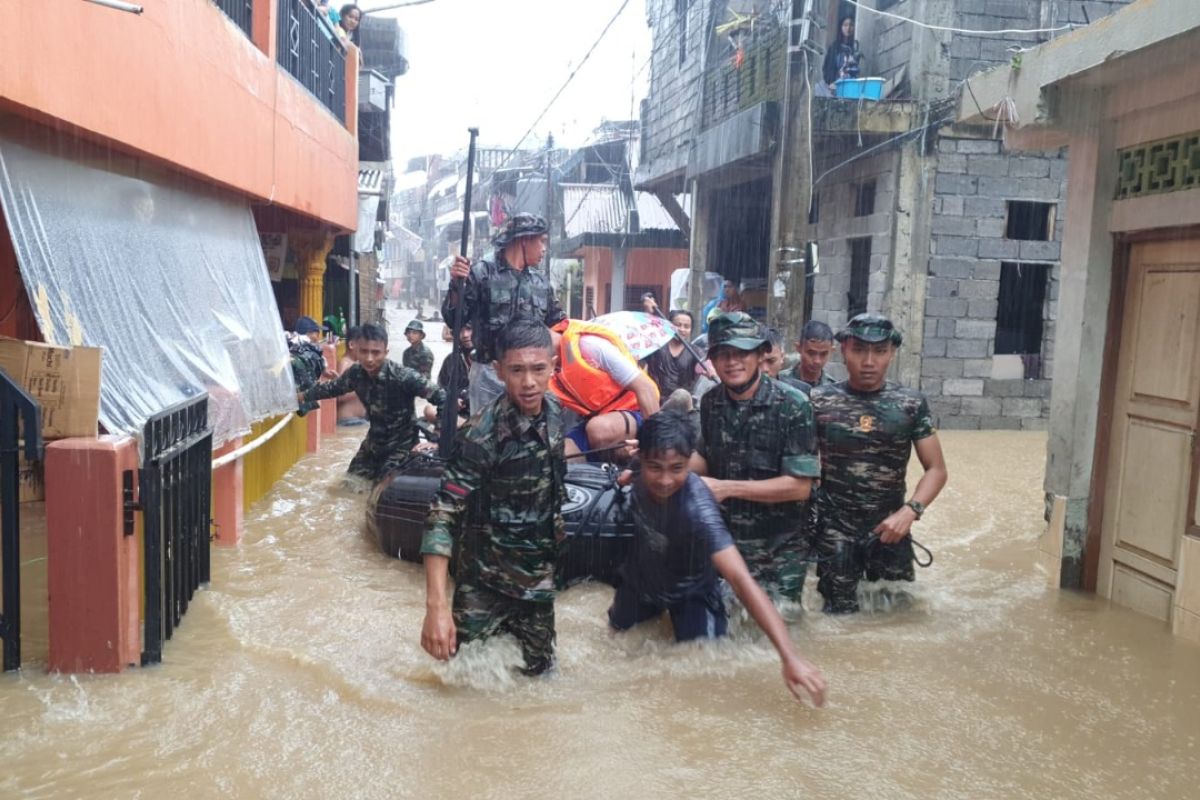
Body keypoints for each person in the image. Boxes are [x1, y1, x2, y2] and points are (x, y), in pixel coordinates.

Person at [609, 412, 826, 706]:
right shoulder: (638, 470)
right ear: (641, 458)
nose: (664, 480)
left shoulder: (698, 510)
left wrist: (789, 657)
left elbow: (740, 578)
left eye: (677, 468)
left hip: (692, 590)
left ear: (689, 462)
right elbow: (633, 472)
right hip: (640, 583)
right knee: (614, 647)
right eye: (654, 467)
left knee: (704, 671)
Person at [420, 320, 568, 676]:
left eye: (538, 369)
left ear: (554, 367)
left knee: (541, 680)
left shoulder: (556, 413)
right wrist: (436, 607)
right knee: (463, 686)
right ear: (499, 372)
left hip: (537, 582)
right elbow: (442, 513)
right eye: (517, 370)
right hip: (483, 585)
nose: (529, 382)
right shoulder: (481, 435)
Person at [810, 314, 948, 614]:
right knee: (838, 620)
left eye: (880, 351)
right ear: (843, 350)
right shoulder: (818, 401)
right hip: (835, 533)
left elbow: (936, 470)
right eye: (859, 350)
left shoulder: (910, 404)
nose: (869, 361)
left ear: (892, 353)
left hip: (891, 530)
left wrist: (911, 511)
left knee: (898, 621)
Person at [691, 313, 821, 604]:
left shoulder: (794, 405)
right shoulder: (711, 402)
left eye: (741, 352)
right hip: (726, 543)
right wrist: (659, 470)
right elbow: (704, 456)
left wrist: (725, 488)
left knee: (776, 634)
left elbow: (799, 487)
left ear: (761, 354)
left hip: (779, 549)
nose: (732, 362)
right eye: (722, 353)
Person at [442, 212, 566, 415]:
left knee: (527, 437)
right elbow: (454, 318)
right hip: (489, 375)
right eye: (541, 241)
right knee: (485, 436)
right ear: (525, 240)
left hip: (529, 376)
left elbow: (559, 324)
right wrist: (457, 284)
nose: (544, 249)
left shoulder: (541, 283)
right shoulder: (482, 273)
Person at [298, 323, 444, 482]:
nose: (369, 359)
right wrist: (301, 396)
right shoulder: (356, 373)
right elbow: (332, 388)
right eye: (364, 351)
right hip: (373, 443)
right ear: (356, 350)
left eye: (376, 353)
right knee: (348, 486)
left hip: (401, 447)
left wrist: (437, 439)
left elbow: (443, 397)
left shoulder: (404, 377)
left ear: (386, 352)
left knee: (381, 493)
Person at [550, 318, 660, 461]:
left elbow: (646, 387)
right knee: (557, 458)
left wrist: (652, 446)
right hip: (595, 420)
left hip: (633, 411)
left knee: (599, 430)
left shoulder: (589, 345)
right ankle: (611, 454)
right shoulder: (546, 367)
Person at [645, 310, 700, 397]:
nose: (682, 329)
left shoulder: (696, 352)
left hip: (682, 403)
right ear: (669, 325)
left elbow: (706, 366)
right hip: (655, 399)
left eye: (687, 326)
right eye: (678, 325)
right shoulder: (656, 347)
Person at [336, 325, 369, 426]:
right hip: (348, 420)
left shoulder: (356, 364)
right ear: (351, 345)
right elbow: (339, 395)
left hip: (358, 420)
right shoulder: (346, 364)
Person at [790, 320, 836, 388]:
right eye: (811, 353)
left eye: (823, 354)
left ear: (832, 351)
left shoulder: (834, 389)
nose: (817, 361)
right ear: (798, 348)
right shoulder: (779, 382)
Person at [822, 15, 863, 92]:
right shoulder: (834, 47)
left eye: (851, 25)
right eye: (845, 25)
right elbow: (828, 67)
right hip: (836, 86)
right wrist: (830, 82)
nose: (848, 28)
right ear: (840, 27)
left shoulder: (854, 48)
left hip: (851, 86)